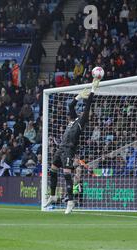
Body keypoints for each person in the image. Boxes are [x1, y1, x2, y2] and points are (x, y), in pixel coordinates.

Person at [45, 78, 100, 214]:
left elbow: (87, 106)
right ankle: (52, 195)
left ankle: (70, 201)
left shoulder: (82, 121)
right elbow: (70, 106)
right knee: (52, 170)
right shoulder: (73, 118)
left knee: (67, 174)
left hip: (69, 149)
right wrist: (78, 97)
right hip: (61, 148)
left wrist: (93, 90)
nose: (84, 112)